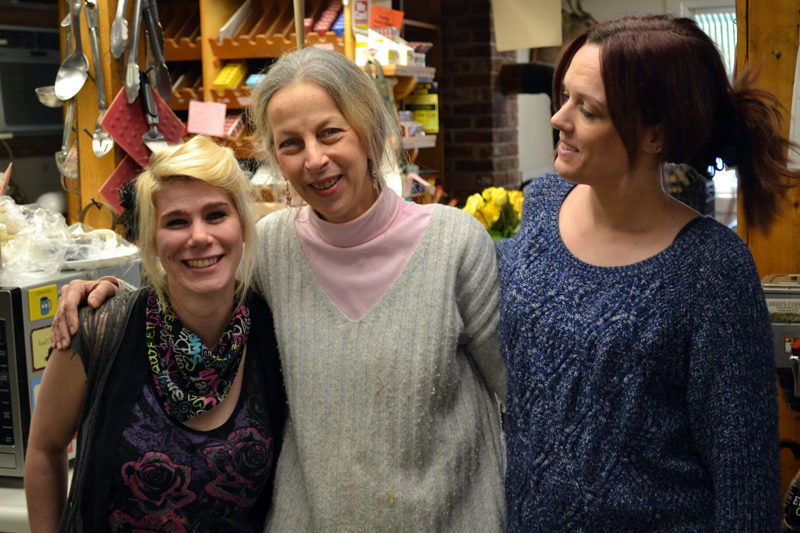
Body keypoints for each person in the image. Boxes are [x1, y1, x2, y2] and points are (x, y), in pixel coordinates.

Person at [50, 47, 507, 531]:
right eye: (290, 144)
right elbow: (194, 281)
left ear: (370, 132)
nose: (315, 159)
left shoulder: (454, 243)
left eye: (330, 132)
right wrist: (107, 293)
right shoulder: (272, 247)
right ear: (275, 159)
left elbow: (515, 394)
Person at [497, 14, 790, 531]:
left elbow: (746, 483)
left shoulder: (711, 269)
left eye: (587, 110)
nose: (559, 119)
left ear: (655, 134)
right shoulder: (540, 208)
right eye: (563, 97)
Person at [28, 136, 286, 532]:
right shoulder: (98, 328)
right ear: (151, 240)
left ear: (243, 226)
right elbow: (46, 449)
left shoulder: (274, 331)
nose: (199, 236)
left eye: (216, 215)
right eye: (177, 221)